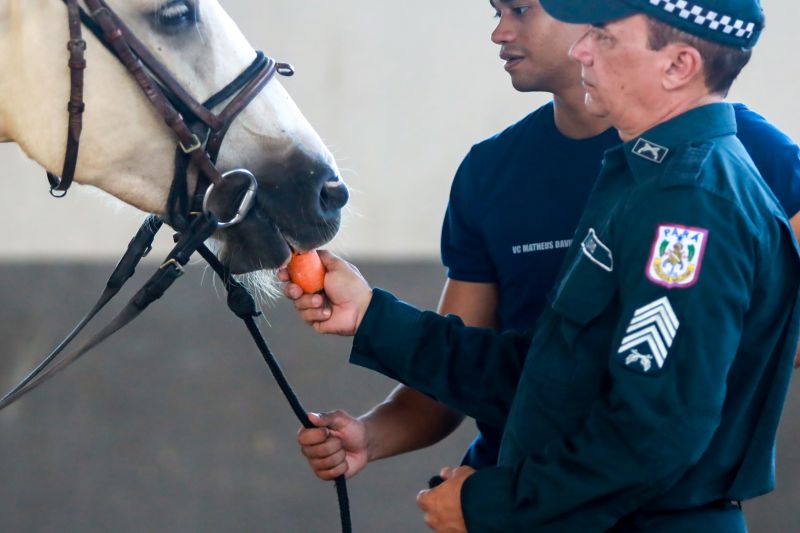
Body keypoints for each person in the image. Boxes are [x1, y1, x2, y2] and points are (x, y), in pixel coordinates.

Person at [281, 0, 800, 530]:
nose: (581, 50)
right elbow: (552, 374)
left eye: (604, 37)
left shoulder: (692, 204)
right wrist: (372, 316)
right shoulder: (638, 177)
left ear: (678, 65)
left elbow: (653, 434)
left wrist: (490, 506)